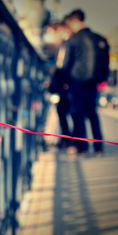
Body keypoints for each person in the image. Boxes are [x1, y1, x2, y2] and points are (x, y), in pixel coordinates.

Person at [59, 9, 109, 155]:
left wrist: (63, 82)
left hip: (77, 81)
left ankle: (82, 147)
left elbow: (67, 63)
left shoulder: (73, 40)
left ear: (75, 22)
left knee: (78, 113)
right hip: (93, 82)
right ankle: (99, 147)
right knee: (92, 113)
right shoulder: (98, 38)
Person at [47, 19, 72, 148]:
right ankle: (66, 139)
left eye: (51, 33)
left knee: (67, 112)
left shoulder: (67, 45)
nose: (50, 38)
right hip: (66, 85)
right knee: (63, 112)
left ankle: (69, 141)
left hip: (68, 86)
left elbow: (63, 67)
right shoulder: (64, 45)